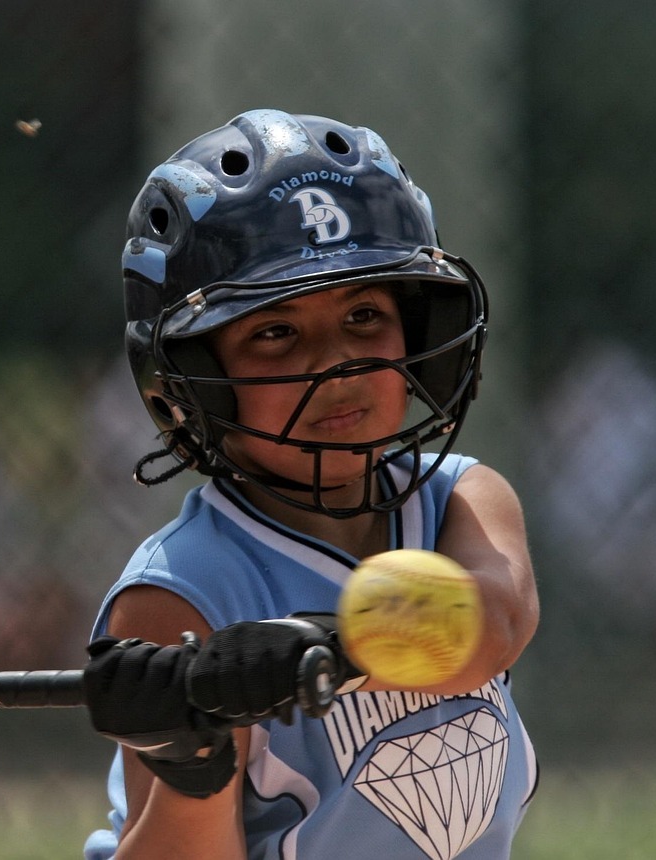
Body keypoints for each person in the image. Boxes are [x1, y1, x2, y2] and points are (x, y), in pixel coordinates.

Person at [81, 109, 539, 860]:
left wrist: (321, 644)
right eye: (275, 333)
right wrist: (193, 757)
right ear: (195, 383)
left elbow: (493, 626)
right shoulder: (183, 591)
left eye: (364, 316)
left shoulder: (461, 499)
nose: (337, 363)